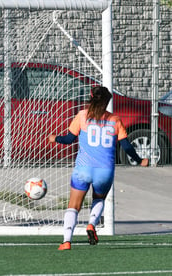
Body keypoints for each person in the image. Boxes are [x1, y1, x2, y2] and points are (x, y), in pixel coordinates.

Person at [48, 86, 149, 251]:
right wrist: (139, 160)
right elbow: (127, 146)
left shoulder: (82, 116)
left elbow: (68, 139)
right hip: (104, 171)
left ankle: (66, 241)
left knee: (73, 206)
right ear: (108, 101)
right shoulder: (115, 120)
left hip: (83, 169)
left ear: (90, 97)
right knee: (99, 199)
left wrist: (55, 138)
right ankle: (91, 224)